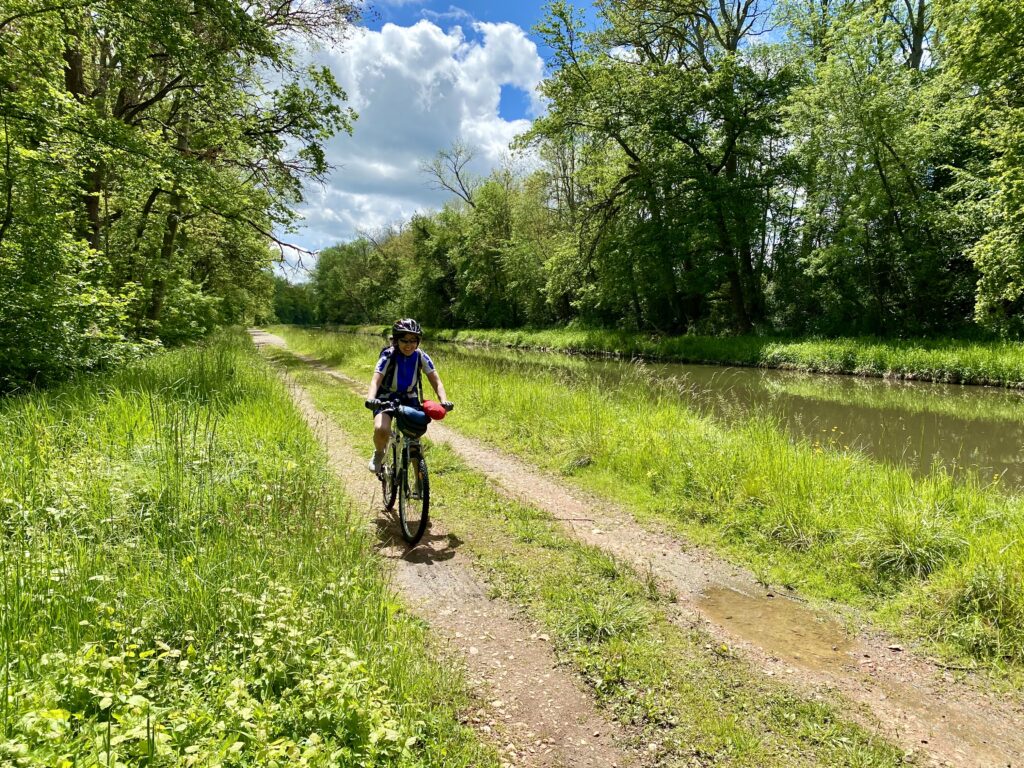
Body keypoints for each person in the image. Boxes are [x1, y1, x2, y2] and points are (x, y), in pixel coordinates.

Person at [364, 318, 453, 473]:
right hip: (386, 396)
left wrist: (444, 401)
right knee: (381, 428)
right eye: (404, 340)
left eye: (413, 341)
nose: (409, 345)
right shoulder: (388, 355)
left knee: (414, 440)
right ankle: (379, 453)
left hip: (410, 397)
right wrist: (371, 398)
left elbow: (436, 381)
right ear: (396, 340)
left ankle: (419, 480)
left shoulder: (421, 356)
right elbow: (375, 380)